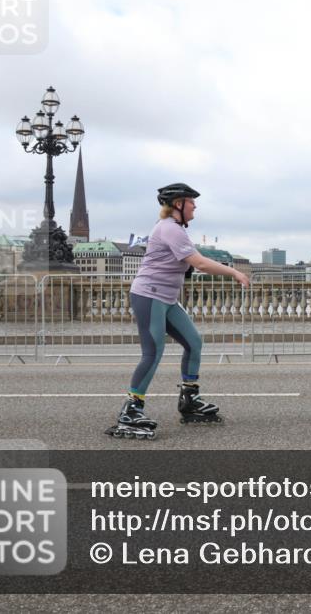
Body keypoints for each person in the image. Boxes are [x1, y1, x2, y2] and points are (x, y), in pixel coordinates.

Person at [107, 183, 251, 440]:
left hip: (167, 298)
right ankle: (131, 410)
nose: (195, 206)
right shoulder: (169, 229)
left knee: (194, 342)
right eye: (191, 201)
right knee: (153, 352)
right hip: (149, 295)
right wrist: (235, 273)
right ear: (178, 205)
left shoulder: (175, 230)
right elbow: (199, 263)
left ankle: (189, 399)